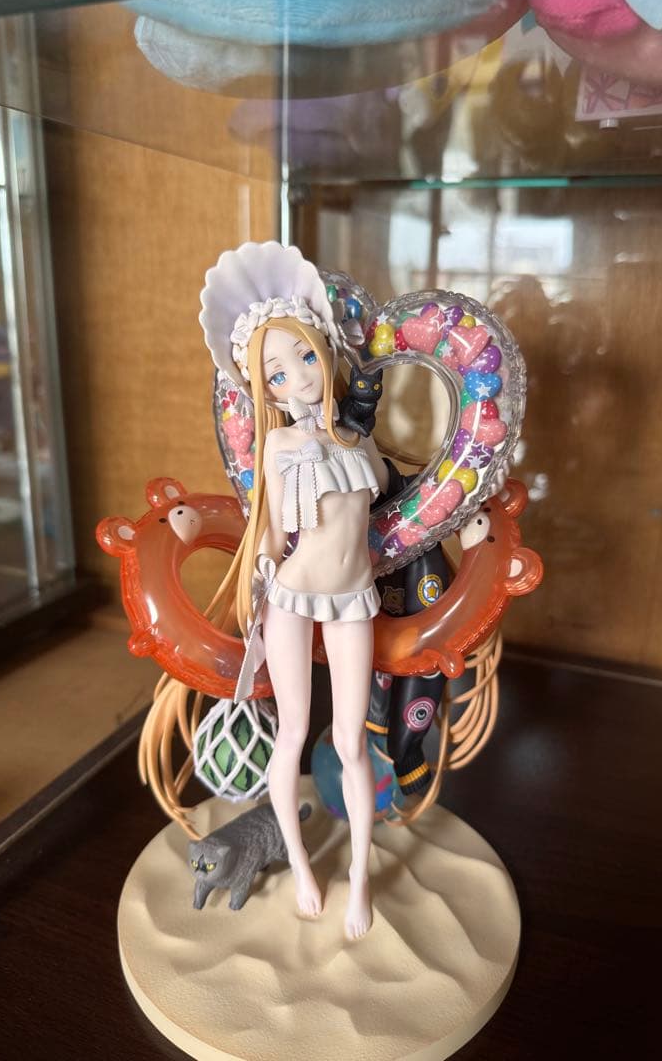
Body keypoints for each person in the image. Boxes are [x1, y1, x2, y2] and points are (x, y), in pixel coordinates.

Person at [198, 242, 389, 939]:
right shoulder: (278, 448)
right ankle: (304, 868)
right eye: (276, 374)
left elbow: (381, 502)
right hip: (290, 597)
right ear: (265, 390)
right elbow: (274, 530)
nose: (299, 379)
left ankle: (361, 876)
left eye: (306, 357)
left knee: (352, 740)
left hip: (354, 598)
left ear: (327, 351)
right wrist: (259, 572)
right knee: (294, 734)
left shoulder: (361, 444)